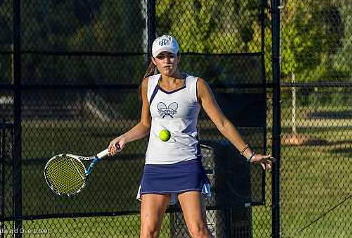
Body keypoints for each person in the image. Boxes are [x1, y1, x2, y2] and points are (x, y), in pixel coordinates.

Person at [108, 35, 274, 238]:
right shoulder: (148, 85)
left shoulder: (196, 85)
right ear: (154, 60)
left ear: (179, 57)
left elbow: (222, 123)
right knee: (148, 232)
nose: (166, 61)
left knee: (199, 231)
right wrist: (123, 137)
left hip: (187, 164)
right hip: (155, 166)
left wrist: (249, 154)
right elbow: (145, 124)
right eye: (161, 57)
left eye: (170, 55)